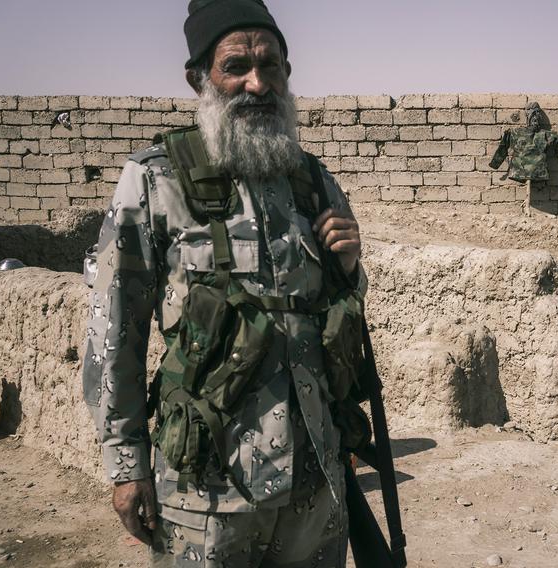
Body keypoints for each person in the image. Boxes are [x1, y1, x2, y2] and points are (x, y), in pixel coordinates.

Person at [81, 1, 364, 565]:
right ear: (200, 78)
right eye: (236, 66)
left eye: (271, 65)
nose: (256, 84)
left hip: (313, 484)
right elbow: (116, 330)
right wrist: (126, 464)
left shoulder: (314, 183)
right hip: (206, 490)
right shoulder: (156, 179)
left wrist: (351, 267)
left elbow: (344, 312)